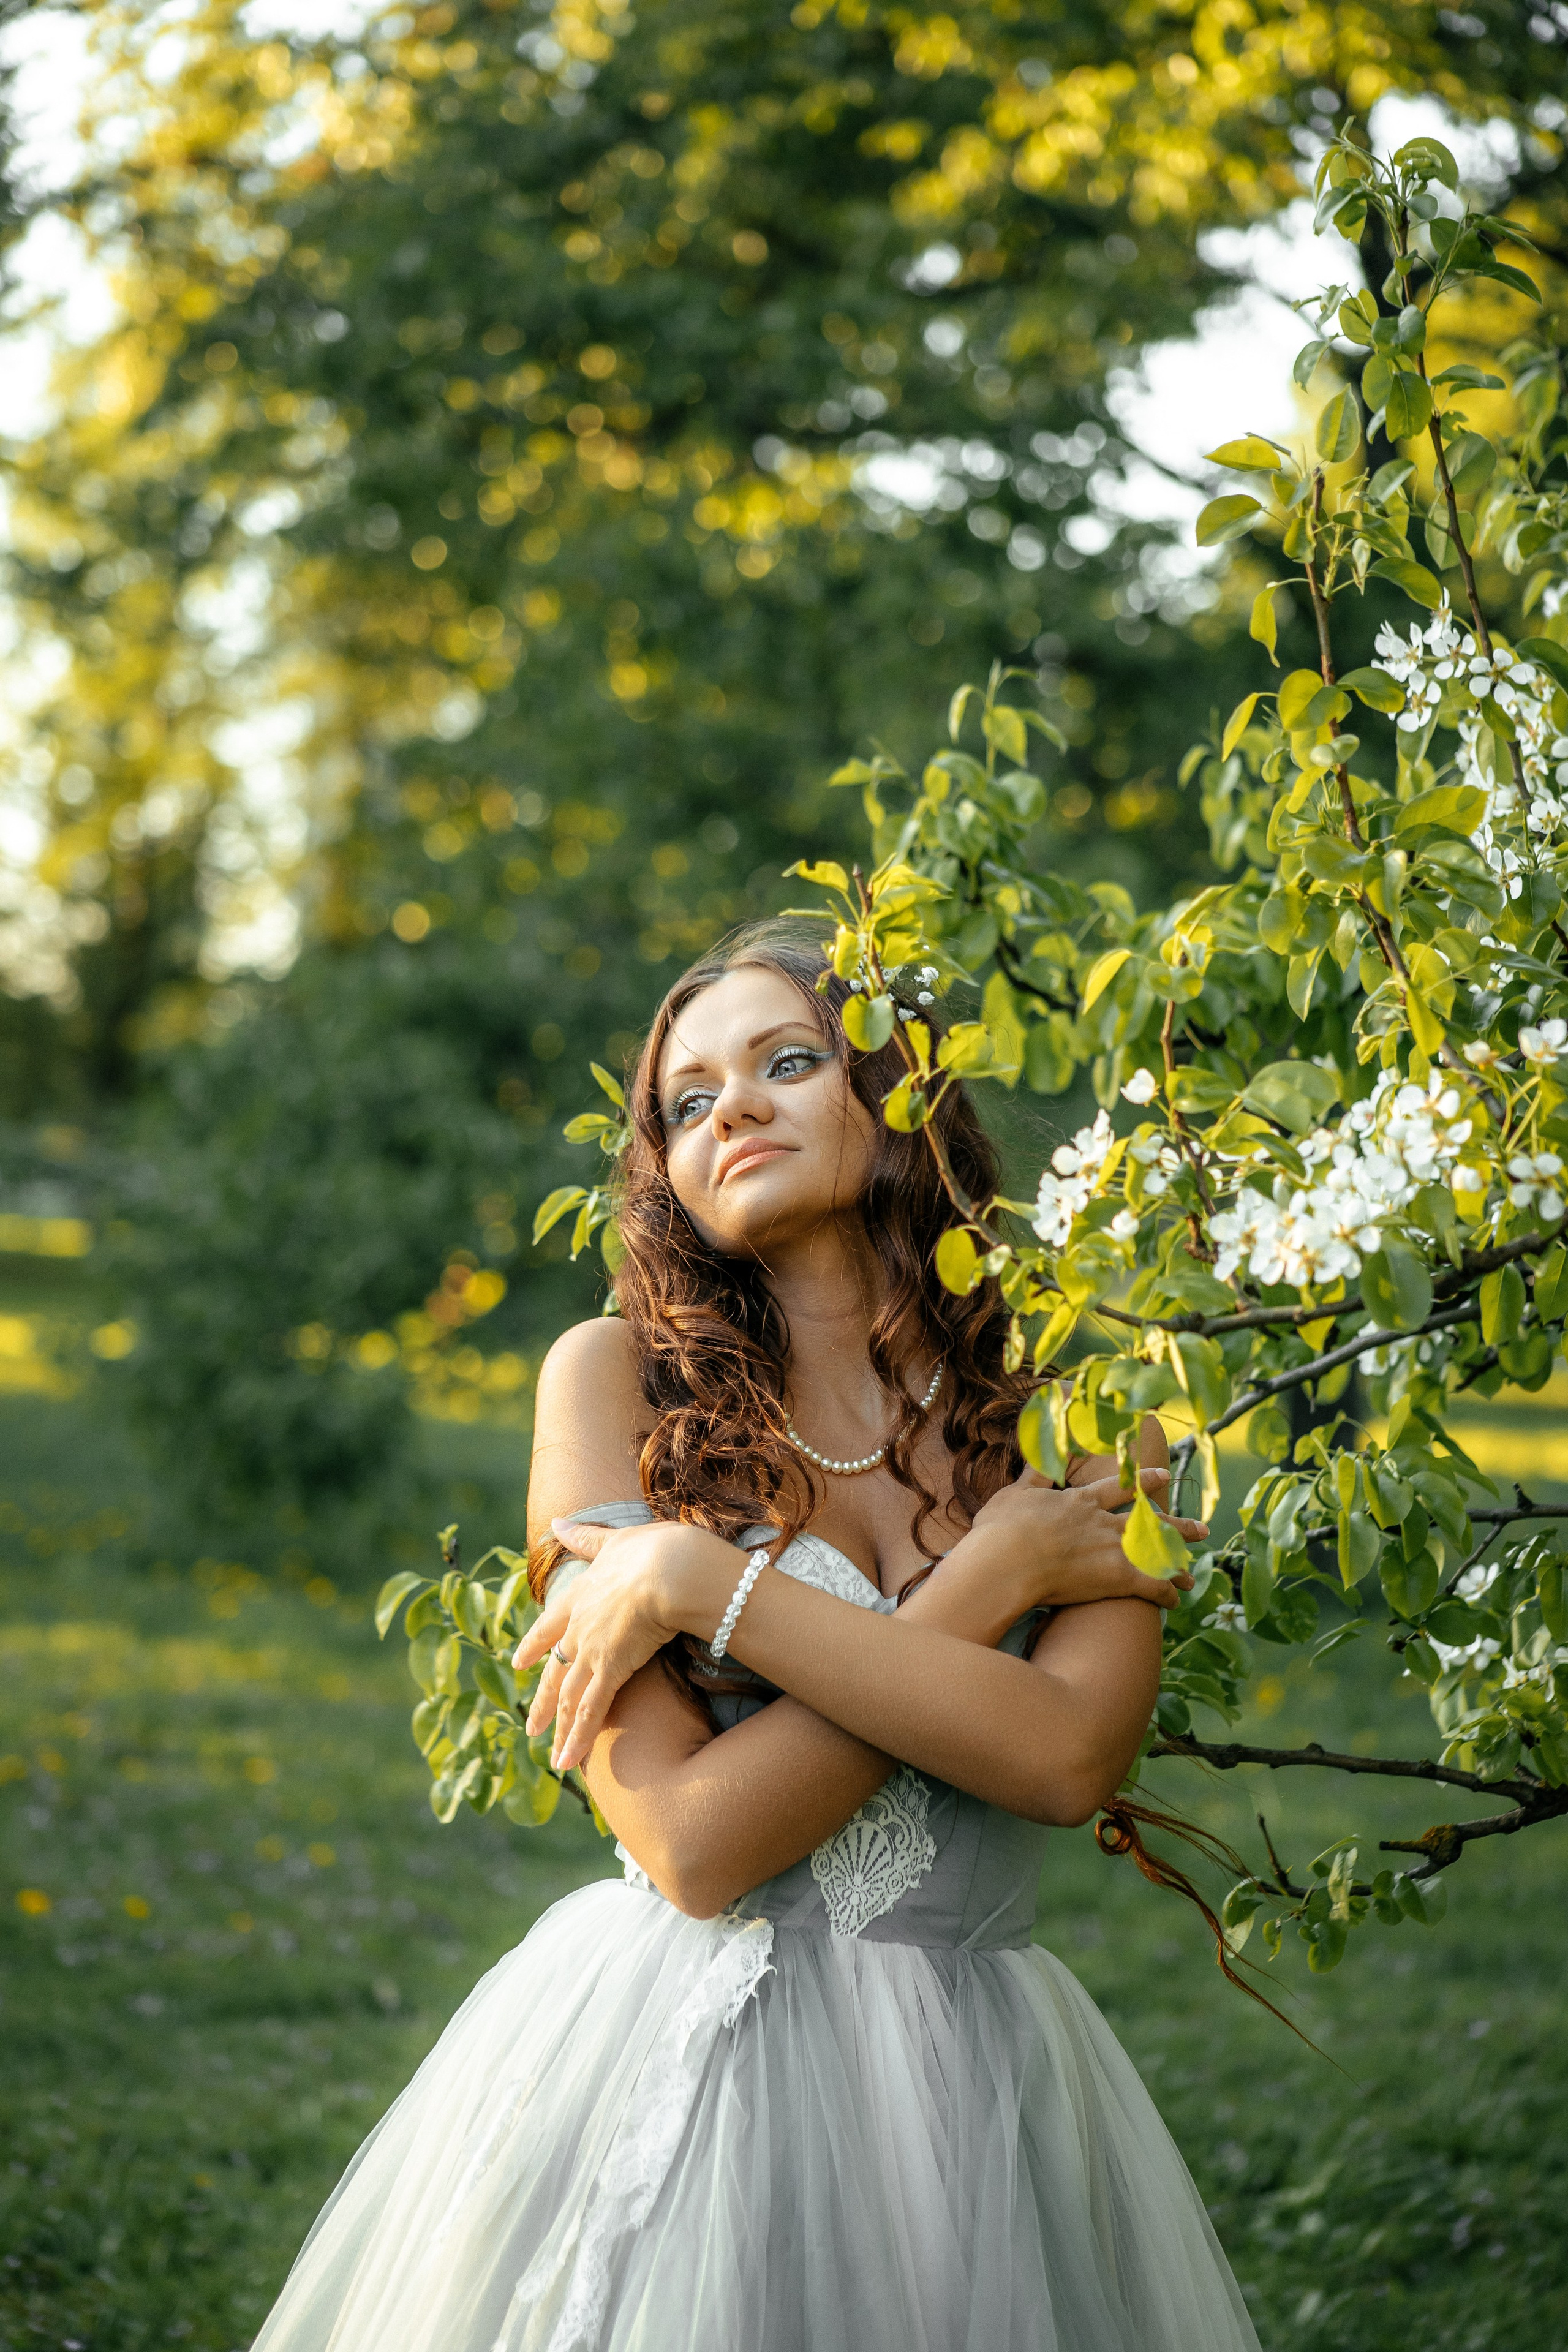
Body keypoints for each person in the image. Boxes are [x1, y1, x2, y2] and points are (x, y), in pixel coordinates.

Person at [251, 921, 1261, 2352]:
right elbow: (691, 1845)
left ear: (896, 1092)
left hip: (974, 2074)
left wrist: (695, 1590)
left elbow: (1058, 1761)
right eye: (685, 1098)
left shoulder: (1077, 1410)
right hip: (671, 2050)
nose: (729, 1107)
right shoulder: (609, 1383)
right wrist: (979, 1582)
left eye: (786, 1062)